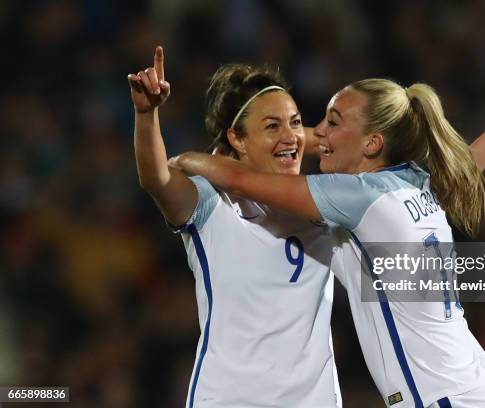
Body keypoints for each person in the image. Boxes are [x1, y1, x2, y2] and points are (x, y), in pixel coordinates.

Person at [168, 60, 485, 407]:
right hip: (477, 387)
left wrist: (185, 160)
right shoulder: (411, 185)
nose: (319, 135)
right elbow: (459, 177)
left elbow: (239, 179)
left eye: (332, 123)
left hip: (444, 398)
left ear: (372, 142)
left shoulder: (356, 197)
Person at [128, 47, 342, 408]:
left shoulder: (322, 201)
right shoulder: (213, 204)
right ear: (237, 139)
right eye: (271, 126)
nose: (289, 135)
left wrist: (286, 136)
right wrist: (146, 114)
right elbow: (156, 178)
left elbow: (339, 142)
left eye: (294, 121)